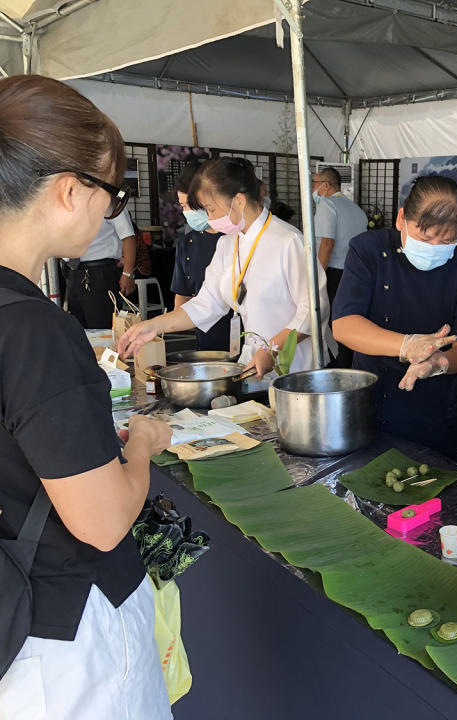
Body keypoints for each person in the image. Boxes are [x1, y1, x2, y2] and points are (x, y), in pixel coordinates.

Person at [0, 75, 171, 717]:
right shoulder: (34, 328)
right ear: (70, 190)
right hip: (68, 635)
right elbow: (101, 523)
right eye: (113, 192)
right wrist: (144, 450)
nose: (111, 210)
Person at [119, 157, 332, 375]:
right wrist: (154, 325)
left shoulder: (288, 241)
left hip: (298, 369)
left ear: (238, 201)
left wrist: (272, 349)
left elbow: (313, 311)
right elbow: (205, 303)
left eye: (211, 209)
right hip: (254, 366)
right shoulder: (228, 243)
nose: (210, 219)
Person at [332, 175, 457, 461]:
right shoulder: (369, 251)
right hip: (375, 397)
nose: (435, 246)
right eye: (425, 237)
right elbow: (344, 324)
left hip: (440, 407)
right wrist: (407, 345)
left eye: (447, 239)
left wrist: (440, 362)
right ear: (401, 218)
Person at [312, 167, 369, 369]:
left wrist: (315, 276)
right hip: (356, 273)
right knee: (349, 320)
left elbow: (327, 244)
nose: (312, 188)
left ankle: (335, 369)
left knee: (331, 324)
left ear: (326, 185)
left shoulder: (328, 204)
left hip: (333, 274)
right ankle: (349, 367)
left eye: (314, 183)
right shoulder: (356, 209)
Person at [170, 161, 229, 351]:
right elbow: (183, 296)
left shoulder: (236, 239)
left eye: (191, 205)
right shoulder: (186, 245)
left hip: (250, 339)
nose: (187, 212)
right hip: (207, 343)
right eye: (182, 206)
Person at [64, 206, 137, 329]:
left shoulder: (109, 199)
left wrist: (127, 274)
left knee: (102, 330)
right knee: (78, 331)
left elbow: (128, 237)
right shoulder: (67, 203)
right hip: (73, 272)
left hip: (99, 272)